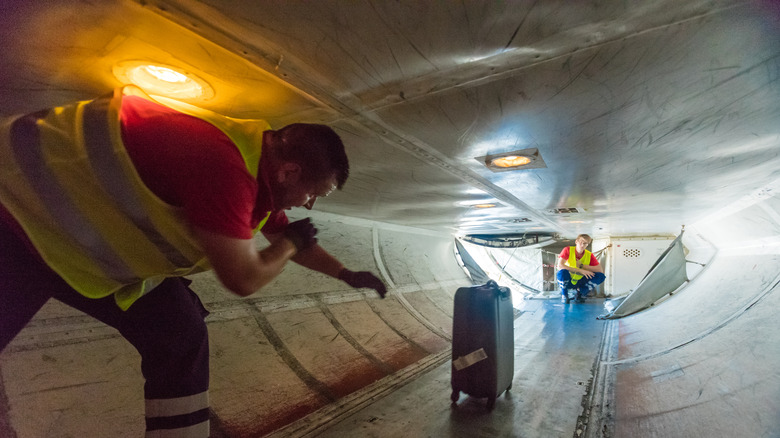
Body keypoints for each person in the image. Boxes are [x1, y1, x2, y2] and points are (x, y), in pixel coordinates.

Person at [0, 86, 386, 437]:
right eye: (313, 194)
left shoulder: (259, 171)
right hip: (17, 215)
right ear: (290, 172)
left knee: (179, 330)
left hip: (76, 247)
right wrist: (288, 244)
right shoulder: (225, 170)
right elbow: (244, 278)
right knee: (177, 330)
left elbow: (287, 236)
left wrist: (345, 273)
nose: (310, 204)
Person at [556, 234, 605, 303]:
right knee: (562, 272)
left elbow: (600, 270)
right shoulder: (567, 250)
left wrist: (582, 265)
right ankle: (564, 294)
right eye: (580, 242)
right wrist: (580, 270)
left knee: (600, 276)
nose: (582, 245)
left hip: (580, 281)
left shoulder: (589, 255)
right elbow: (560, 266)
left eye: (585, 243)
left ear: (587, 245)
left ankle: (581, 292)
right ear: (576, 242)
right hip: (568, 280)